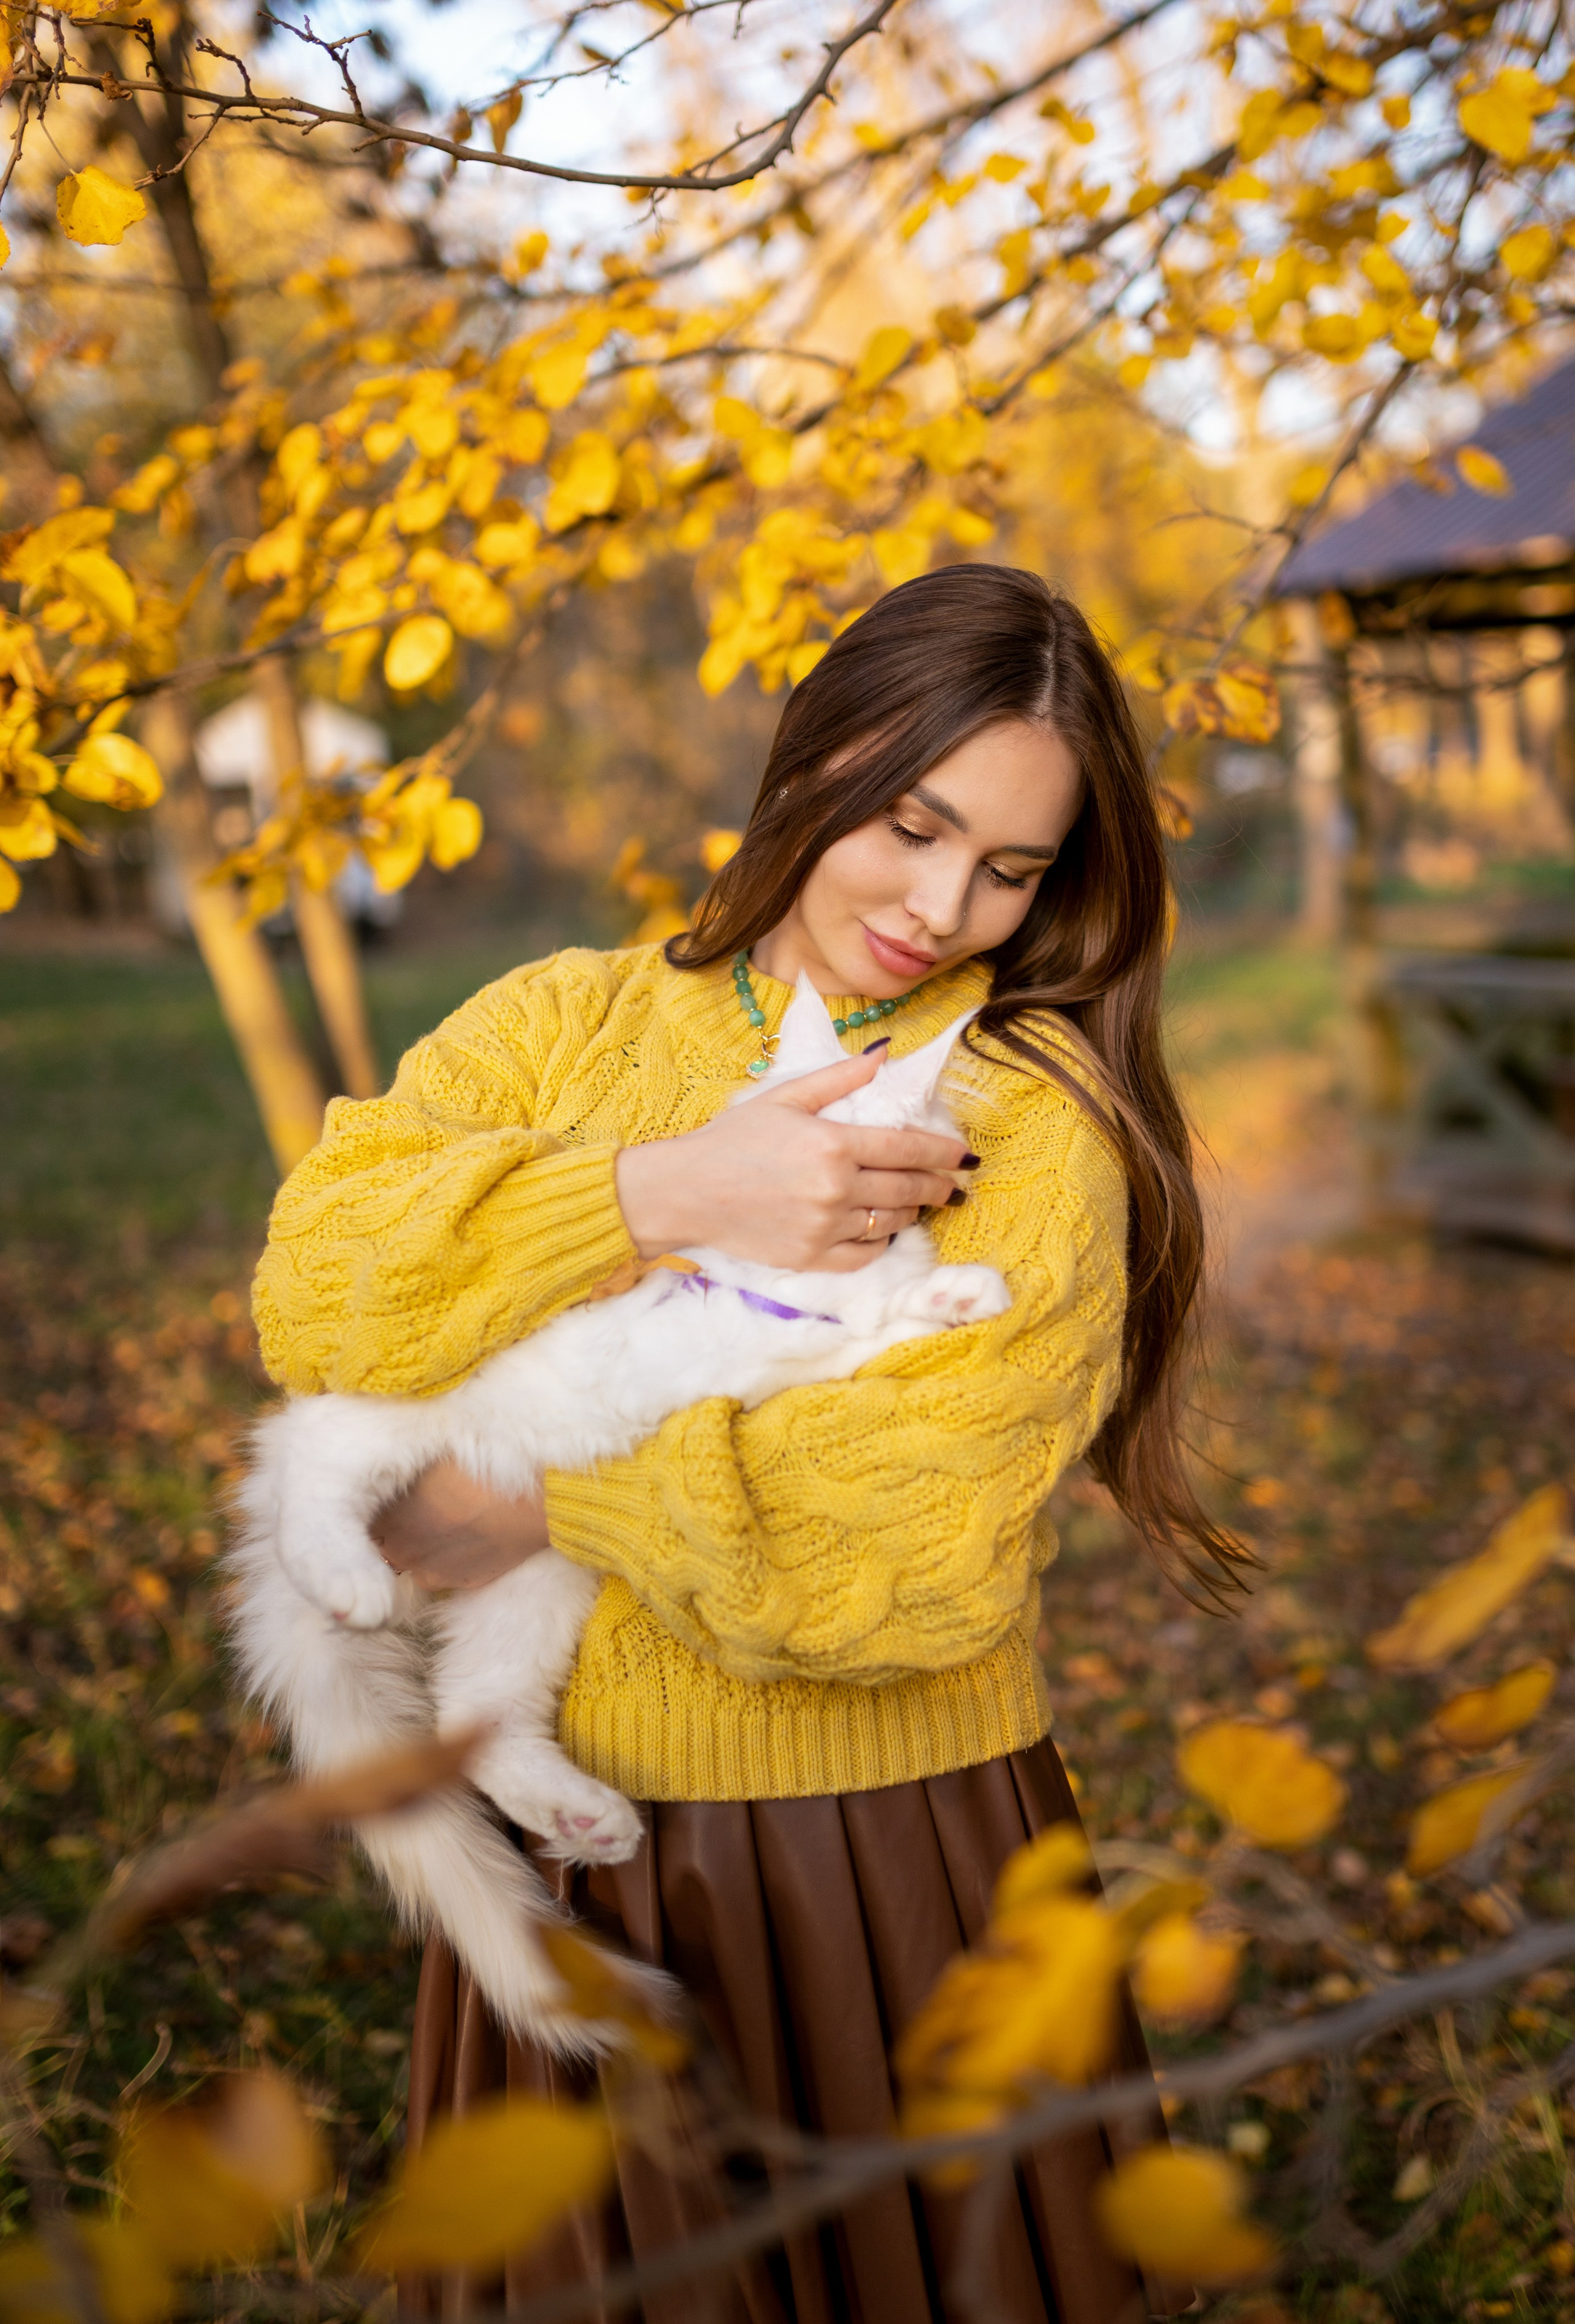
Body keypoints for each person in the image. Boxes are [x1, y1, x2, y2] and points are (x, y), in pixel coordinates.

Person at [250, 563, 1248, 2322]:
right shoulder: (566, 1018)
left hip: (875, 1851)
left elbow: (891, 1559)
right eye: (912, 822)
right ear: (819, 755)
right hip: (577, 1852)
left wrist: (513, 1493)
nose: (941, 905)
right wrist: (666, 1191)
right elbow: (323, 1285)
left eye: (1009, 867)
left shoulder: (1014, 1126)